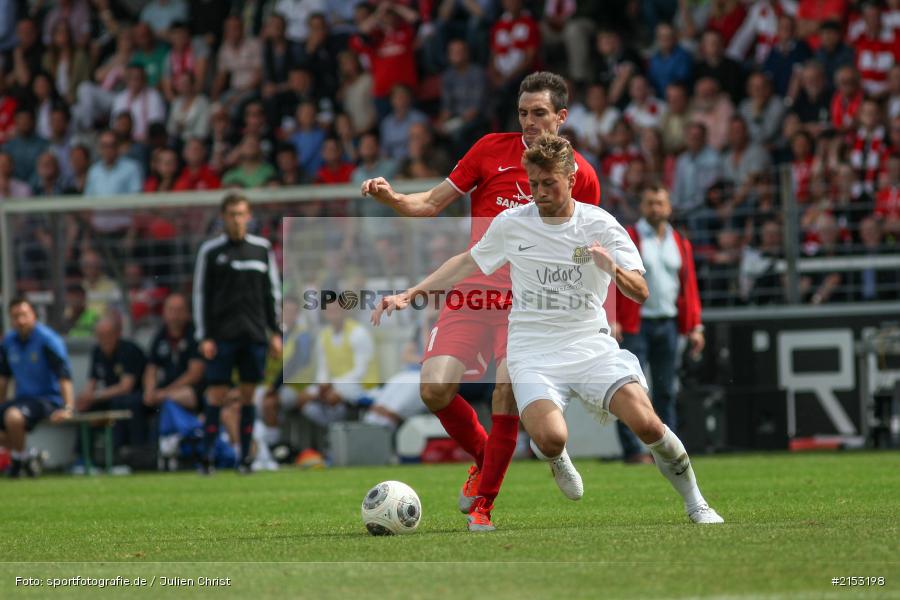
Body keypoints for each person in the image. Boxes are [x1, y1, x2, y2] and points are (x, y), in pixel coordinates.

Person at [373, 133, 723, 530]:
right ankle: (556, 457)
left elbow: (640, 291)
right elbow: (465, 263)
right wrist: (411, 294)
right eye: (533, 184)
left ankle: (696, 502)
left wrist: (613, 269)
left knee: (647, 424)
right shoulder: (512, 224)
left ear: (571, 178)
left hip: (590, 345)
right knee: (551, 438)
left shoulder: (600, 224)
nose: (538, 193)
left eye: (548, 183)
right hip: (533, 351)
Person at [361, 71, 601, 529]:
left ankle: (485, 506)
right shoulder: (490, 149)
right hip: (472, 294)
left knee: (505, 395)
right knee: (433, 388)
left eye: (540, 114)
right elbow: (430, 203)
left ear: (561, 117)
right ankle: (488, 456)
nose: (530, 122)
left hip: (529, 307)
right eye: (524, 113)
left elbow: (586, 252)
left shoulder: (582, 175)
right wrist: (392, 198)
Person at [612, 186, 705, 463]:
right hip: (634, 325)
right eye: (651, 203)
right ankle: (633, 451)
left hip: (668, 323)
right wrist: (612, 317)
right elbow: (612, 279)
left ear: (668, 207)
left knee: (666, 390)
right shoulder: (629, 237)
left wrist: (695, 325)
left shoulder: (679, 240)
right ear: (642, 206)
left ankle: (667, 451)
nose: (656, 208)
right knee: (631, 390)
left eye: (660, 203)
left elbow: (688, 286)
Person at [193, 193, 282, 474]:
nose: (236, 219)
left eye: (241, 213)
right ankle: (206, 457)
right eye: (231, 214)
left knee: (247, 396)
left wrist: (276, 332)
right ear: (222, 217)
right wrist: (203, 335)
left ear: (249, 216)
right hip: (221, 336)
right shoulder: (210, 251)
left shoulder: (262, 249)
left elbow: (272, 294)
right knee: (216, 395)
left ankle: (245, 458)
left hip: (254, 334)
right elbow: (200, 295)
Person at [0, 297, 74, 478]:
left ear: (34, 315)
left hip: (47, 400)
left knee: (13, 417)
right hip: (22, 400)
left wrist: (68, 408)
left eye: (24, 315)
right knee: (11, 415)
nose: (20, 320)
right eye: (15, 316)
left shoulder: (48, 340)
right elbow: (3, 378)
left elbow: (64, 376)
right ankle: (29, 456)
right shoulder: (9, 342)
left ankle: (19, 460)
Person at [143, 293, 205, 412]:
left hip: (191, 388)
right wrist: (149, 390)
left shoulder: (196, 336)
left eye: (179, 310)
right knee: (138, 400)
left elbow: (195, 374)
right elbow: (151, 368)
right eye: (171, 310)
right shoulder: (160, 336)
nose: (175, 315)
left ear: (187, 313)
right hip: (166, 387)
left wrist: (165, 392)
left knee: (185, 395)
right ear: (164, 312)